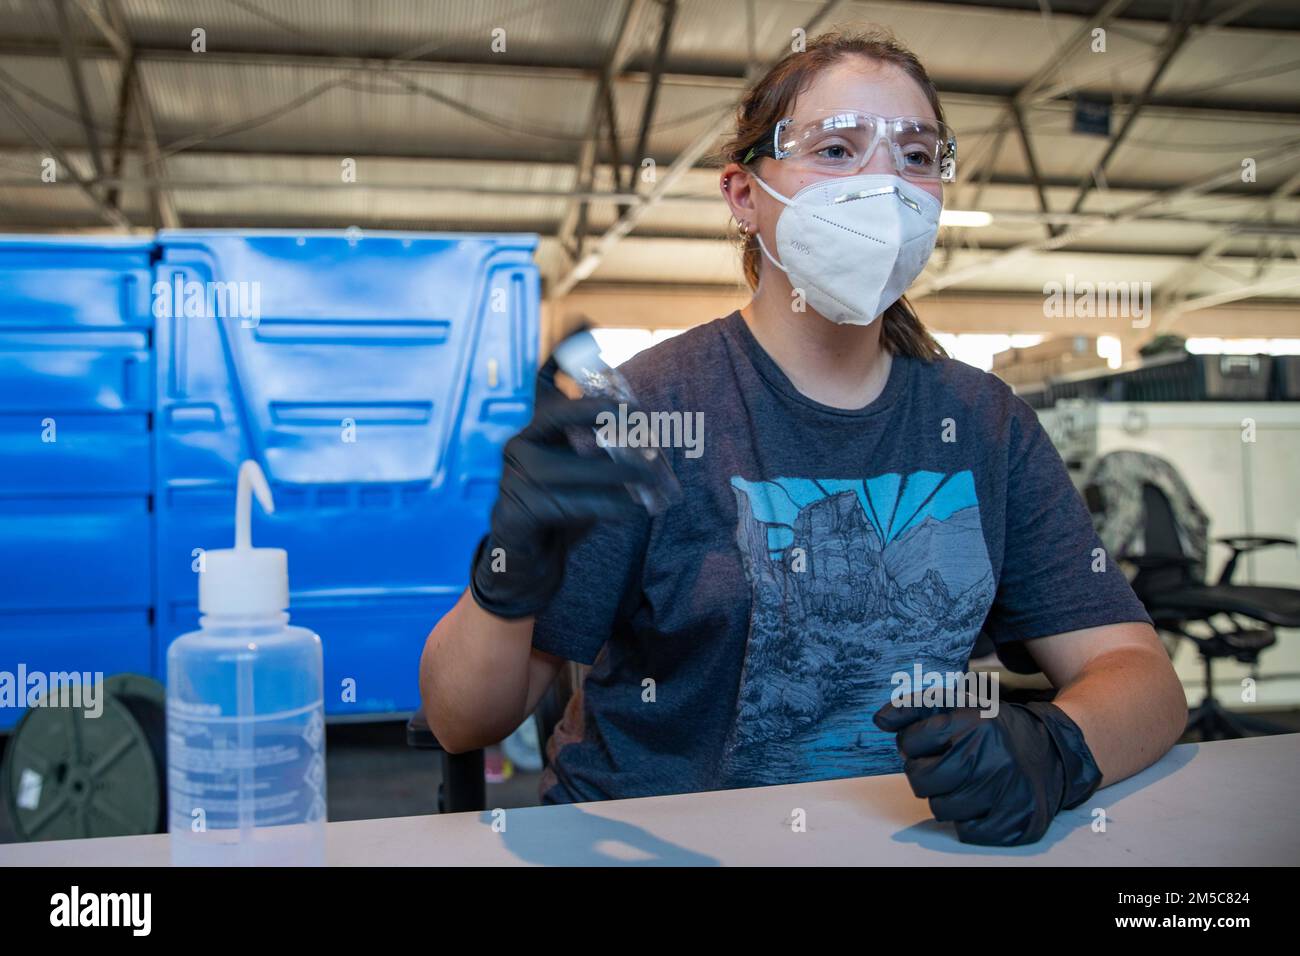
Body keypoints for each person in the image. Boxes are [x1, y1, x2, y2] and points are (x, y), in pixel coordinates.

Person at [419, 27, 1187, 846]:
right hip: (660, 847)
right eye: (836, 148)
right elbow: (464, 721)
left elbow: (1141, 678)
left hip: (905, 842)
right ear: (744, 197)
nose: (883, 183)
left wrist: (1058, 749)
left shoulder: (985, 423)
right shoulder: (649, 409)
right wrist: (507, 574)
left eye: (918, 157)